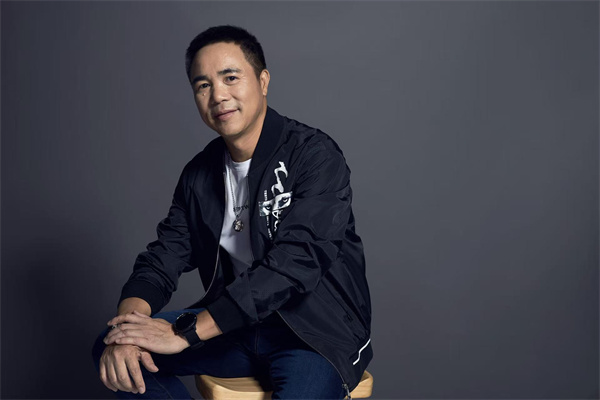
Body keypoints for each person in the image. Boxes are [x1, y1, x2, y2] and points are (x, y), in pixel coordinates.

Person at [92, 25, 372, 399]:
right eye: (203, 85)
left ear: (263, 81)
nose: (218, 95)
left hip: (313, 336)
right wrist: (128, 328)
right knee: (113, 349)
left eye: (230, 78)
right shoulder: (199, 173)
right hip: (236, 329)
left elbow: (294, 265)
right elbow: (162, 259)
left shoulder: (314, 156)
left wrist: (188, 333)